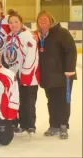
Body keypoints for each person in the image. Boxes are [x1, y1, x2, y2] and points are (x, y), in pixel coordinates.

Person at [35, 11, 77, 139]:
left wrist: (69, 69)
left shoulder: (61, 33)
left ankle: (63, 125)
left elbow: (71, 50)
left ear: (51, 20)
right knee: (51, 101)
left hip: (63, 75)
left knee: (63, 101)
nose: (42, 20)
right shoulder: (38, 36)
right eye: (40, 19)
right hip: (48, 75)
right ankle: (53, 125)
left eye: (45, 18)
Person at [2, 10, 39, 134]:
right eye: (11, 23)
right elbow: (8, 56)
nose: (13, 25)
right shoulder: (9, 37)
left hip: (28, 76)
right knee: (19, 99)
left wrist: (25, 73)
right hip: (15, 75)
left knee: (28, 101)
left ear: (21, 22)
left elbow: (31, 56)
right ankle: (21, 124)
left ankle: (30, 125)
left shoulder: (27, 35)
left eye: (16, 22)